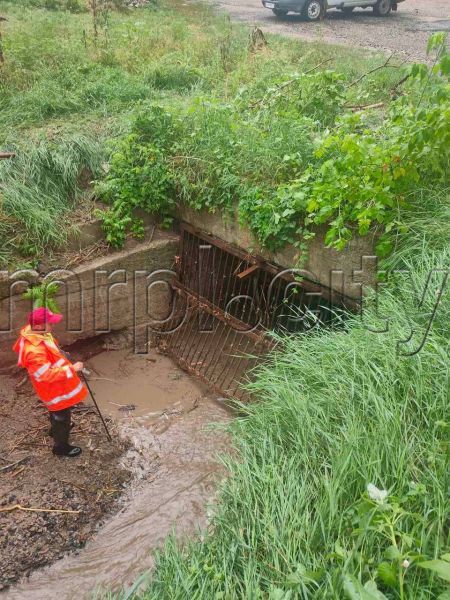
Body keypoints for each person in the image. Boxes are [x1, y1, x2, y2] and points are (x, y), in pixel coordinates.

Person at [13, 307, 87, 457]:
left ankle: (55, 431)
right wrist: (72, 369)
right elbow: (46, 375)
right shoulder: (34, 351)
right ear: (39, 326)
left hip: (55, 385)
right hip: (53, 389)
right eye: (50, 323)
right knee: (61, 414)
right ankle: (61, 448)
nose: (53, 326)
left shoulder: (36, 332)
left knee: (57, 411)